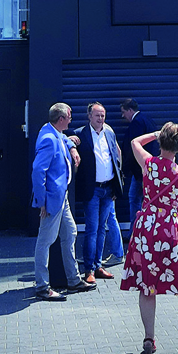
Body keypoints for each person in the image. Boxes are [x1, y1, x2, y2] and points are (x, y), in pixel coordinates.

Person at [120, 122, 178, 354]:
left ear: (161, 142)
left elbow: (134, 142)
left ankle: (149, 338)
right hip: (171, 229)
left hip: (147, 229)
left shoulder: (148, 164)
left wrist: (155, 134)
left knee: (147, 285)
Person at [30, 103, 96, 301]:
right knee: (45, 242)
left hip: (61, 196)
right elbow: (37, 171)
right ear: (61, 119)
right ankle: (42, 286)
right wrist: (42, 202)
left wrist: (72, 146)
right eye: (69, 117)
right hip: (52, 199)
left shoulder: (52, 131)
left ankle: (73, 280)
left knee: (70, 232)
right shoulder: (49, 139)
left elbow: (64, 139)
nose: (71, 120)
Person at [71, 103, 124, 284]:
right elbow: (66, 144)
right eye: (97, 115)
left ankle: (98, 265)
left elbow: (116, 157)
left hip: (108, 189)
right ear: (89, 116)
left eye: (103, 115)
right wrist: (69, 142)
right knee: (92, 230)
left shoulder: (109, 133)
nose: (100, 118)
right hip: (92, 190)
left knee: (102, 229)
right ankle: (89, 269)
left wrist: (117, 186)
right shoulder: (80, 134)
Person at [120, 98, 157, 231]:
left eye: (124, 112)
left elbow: (133, 148)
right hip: (150, 168)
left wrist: (125, 169)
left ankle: (135, 232)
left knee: (134, 199)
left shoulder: (136, 123)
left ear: (130, 110)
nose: (123, 116)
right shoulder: (147, 120)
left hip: (140, 170)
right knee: (153, 200)